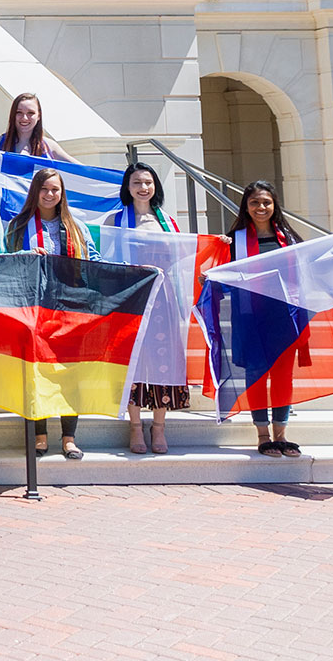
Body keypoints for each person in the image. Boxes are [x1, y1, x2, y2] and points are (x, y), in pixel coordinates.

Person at [5, 167, 99, 460]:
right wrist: (25, 256)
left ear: (62, 194)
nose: (49, 195)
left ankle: (69, 438)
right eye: (44, 189)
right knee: (35, 372)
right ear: (35, 191)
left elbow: (94, 260)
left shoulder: (76, 227)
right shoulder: (18, 225)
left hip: (69, 307)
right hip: (31, 308)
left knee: (69, 373)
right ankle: (39, 436)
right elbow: (4, 261)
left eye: (55, 190)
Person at [102, 162, 187, 454]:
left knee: (163, 359)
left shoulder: (168, 223)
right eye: (137, 182)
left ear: (155, 187)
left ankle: (159, 426)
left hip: (163, 297)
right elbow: (106, 262)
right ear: (128, 187)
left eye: (148, 182)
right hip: (132, 298)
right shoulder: (114, 222)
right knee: (134, 360)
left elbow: (183, 257)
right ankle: (136, 426)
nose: (143, 188)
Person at [228, 181, 304, 459]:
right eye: (255, 203)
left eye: (266, 203)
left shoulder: (290, 238)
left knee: (284, 376)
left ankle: (281, 435)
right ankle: (263, 435)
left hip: (284, 315)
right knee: (257, 375)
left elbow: (308, 268)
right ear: (246, 207)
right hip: (251, 317)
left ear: (275, 205)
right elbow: (227, 279)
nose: (261, 208)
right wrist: (209, 279)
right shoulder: (234, 240)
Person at [0, 92, 78, 163]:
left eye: (30, 113)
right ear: (13, 115)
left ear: (39, 116)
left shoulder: (49, 147)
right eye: (19, 112)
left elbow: (81, 170)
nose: (24, 118)